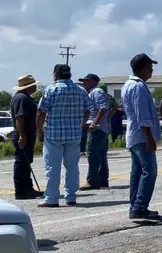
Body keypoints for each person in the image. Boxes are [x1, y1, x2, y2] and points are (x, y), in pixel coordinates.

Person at [36, 64, 92, 208]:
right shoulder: (80, 90)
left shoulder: (51, 89)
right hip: (74, 134)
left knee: (53, 168)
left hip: (54, 134)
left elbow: (41, 112)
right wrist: (81, 124)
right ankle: (71, 196)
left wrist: (39, 131)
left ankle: (51, 198)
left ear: (56, 75)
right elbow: (87, 111)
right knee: (72, 166)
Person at [122, 54, 160, 219]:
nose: (152, 70)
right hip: (141, 135)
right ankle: (140, 206)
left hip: (134, 135)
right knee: (149, 171)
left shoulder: (128, 85)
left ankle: (136, 206)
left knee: (137, 172)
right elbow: (142, 114)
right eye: (150, 67)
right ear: (143, 68)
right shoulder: (138, 87)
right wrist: (149, 137)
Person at [11, 75, 41, 200]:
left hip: (28, 133)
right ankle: (21, 191)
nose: (35, 87)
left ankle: (28, 188)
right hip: (23, 134)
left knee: (26, 162)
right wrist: (22, 136)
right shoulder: (21, 98)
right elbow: (19, 118)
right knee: (21, 162)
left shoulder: (25, 97)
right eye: (33, 85)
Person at [80, 73, 110, 189]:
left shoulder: (96, 92)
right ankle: (102, 179)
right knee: (100, 155)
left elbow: (103, 108)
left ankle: (92, 181)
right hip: (100, 128)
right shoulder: (92, 93)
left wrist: (95, 122)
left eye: (86, 81)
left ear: (93, 81)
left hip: (97, 128)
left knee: (93, 154)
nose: (84, 83)